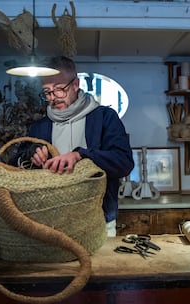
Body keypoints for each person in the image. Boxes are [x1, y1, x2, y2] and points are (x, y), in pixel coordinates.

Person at [11, 56, 134, 237]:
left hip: (98, 221)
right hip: (50, 223)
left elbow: (124, 163)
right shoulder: (39, 127)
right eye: (47, 92)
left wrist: (81, 155)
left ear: (75, 84)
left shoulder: (105, 118)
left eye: (60, 89)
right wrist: (31, 156)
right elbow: (15, 164)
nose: (53, 98)